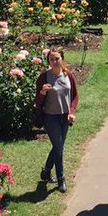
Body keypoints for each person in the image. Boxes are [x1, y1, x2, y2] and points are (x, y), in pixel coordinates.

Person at [36, 48, 78, 192]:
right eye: (51, 59)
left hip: (65, 117)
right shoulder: (44, 77)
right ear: (48, 61)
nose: (54, 62)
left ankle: (46, 171)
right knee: (59, 147)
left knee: (57, 146)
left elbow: (75, 96)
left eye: (57, 59)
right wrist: (42, 92)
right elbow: (38, 102)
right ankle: (61, 179)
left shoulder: (68, 75)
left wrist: (71, 112)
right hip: (50, 117)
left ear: (62, 59)